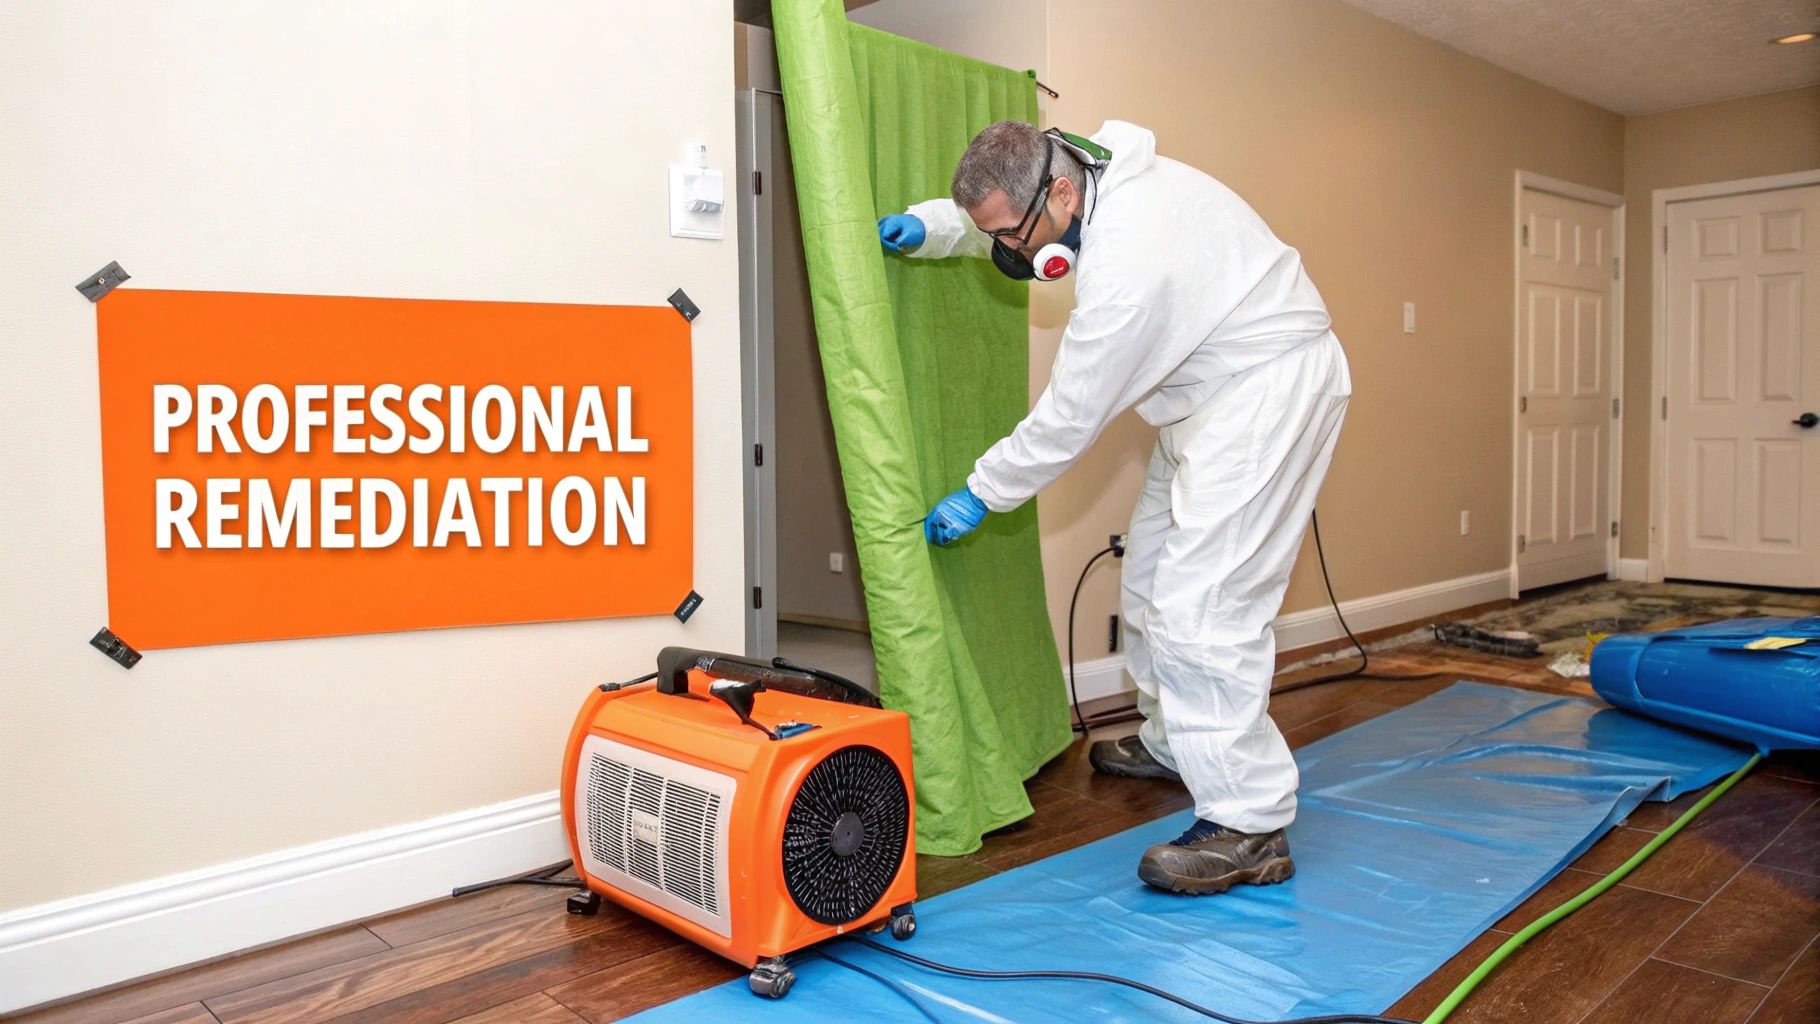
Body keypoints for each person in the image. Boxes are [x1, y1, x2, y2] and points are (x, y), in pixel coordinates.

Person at [880, 120, 1351, 895]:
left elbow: (1070, 416)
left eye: (1012, 237)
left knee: (1205, 607)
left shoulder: (1130, 264)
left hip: (1265, 392)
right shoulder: (1084, 170)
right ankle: (1175, 741)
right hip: (1203, 397)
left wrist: (981, 492)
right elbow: (1012, 217)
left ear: (1060, 194)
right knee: (1150, 580)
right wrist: (934, 228)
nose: (1011, 253)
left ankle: (1250, 822)